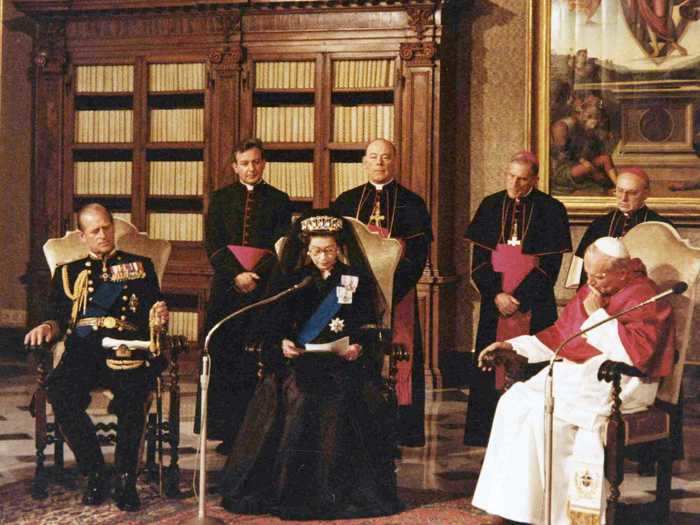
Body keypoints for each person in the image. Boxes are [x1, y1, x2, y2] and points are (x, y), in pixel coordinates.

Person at [471, 237, 675, 525]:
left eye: (600, 275)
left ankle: (564, 515)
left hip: (625, 382)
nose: (592, 282)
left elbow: (638, 354)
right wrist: (513, 347)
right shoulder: (593, 289)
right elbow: (561, 337)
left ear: (624, 271)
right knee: (513, 402)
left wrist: (596, 315)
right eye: (589, 273)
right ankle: (518, 508)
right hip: (584, 374)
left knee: (550, 415)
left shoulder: (644, 295)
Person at [219, 211, 402, 520]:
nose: (323, 257)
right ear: (306, 250)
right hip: (300, 362)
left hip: (343, 362)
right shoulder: (293, 280)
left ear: (340, 248)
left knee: (342, 395)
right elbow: (272, 325)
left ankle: (336, 488)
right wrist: (281, 344)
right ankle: (294, 488)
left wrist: (359, 345)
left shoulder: (354, 279)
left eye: (329, 250)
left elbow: (369, 326)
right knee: (300, 393)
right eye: (316, 251)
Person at [24, 203, 169, 511]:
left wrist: (159, 314)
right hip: (84, 351)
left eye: (107, 227)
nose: (103, 234)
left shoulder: (140, 266)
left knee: (133, 397)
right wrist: (47, 326)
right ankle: (95, 473)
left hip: (125, 348)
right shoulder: (68, 271)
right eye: (95, 230)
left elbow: (153, 308)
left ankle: (126, 479)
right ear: (83, 236)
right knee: (59, 390)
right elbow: (57, 315)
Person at [463, 151, 572, 446]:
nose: (514, 183)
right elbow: (478, 262)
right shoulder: (490, 205)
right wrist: (496, 294)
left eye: (522, 178)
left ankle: (532, 432)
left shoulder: (551, 209)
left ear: (534, 179)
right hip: (494, 301)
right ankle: (484, 431)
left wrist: (519, 299)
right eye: (510, 176)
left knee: (535, 361)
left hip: (534, 303)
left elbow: (550, 268)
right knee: (489, 365)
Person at [332, 138, 432, 447]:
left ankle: (402, 429)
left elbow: (417, 254)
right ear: (364, 162)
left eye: (386, 157)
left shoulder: (412, 203)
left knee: (400, 354)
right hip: (354, 292)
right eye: (374, 157)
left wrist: (390, 287)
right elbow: (337, 251)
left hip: (397, 291)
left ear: (395, 161)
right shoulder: (346, 201)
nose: (380, 163)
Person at [197, 138, 292, 454]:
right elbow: (213, 244)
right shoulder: (221, 199)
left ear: (263, 163)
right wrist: (236, 274)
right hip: (227, 289)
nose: (251, 168)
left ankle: (261, 432)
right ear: (235, 166)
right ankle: (228, 431)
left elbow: (281, 245)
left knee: (258, 358)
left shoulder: (279, 199)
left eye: (256, 162)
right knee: (226, 357)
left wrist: (256, 275)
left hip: (264, 291)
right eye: (245, 163)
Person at [573, 167, 674, 287]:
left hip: (640, 295)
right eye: (620, 191)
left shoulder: (661, 227)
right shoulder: (599, 225)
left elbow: (667, 272)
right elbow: (584, 272)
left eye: (632, 193)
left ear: (646, 193)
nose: (623, 198)